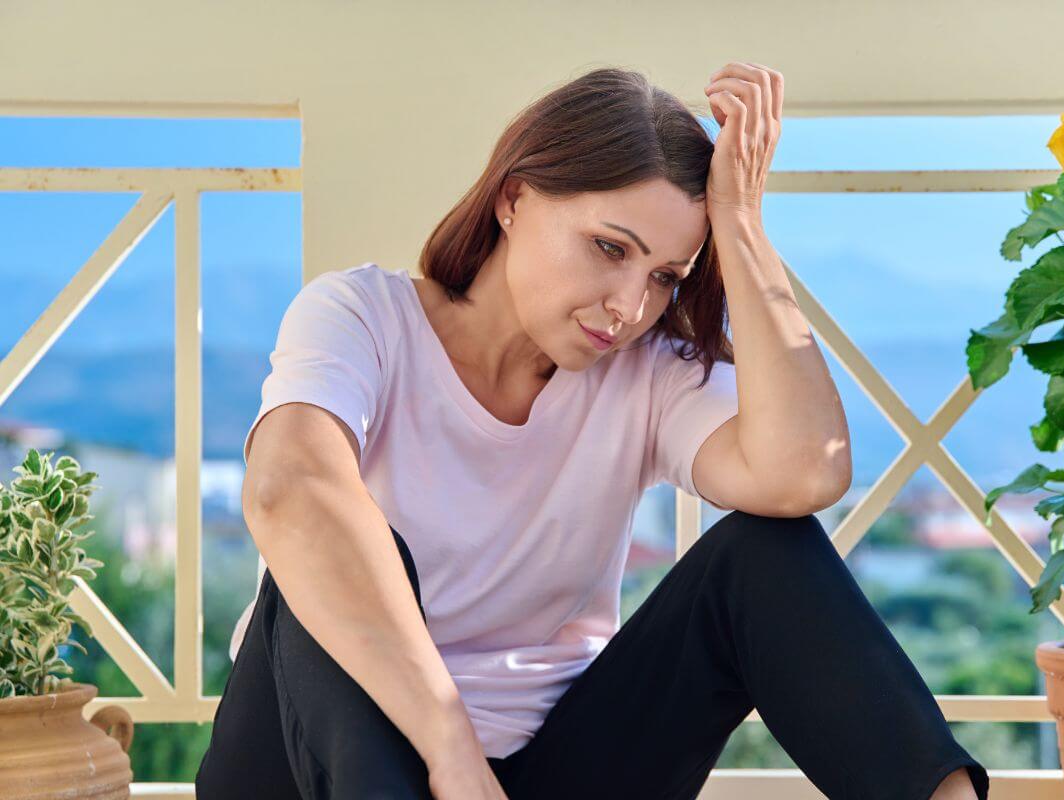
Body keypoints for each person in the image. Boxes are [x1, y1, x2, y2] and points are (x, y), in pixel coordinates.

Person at [195, 63, 989, 800]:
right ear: (514, 199)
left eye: (663, 277)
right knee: (334, 548)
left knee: (764, 552)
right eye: (609, 248)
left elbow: (802, 475)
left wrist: (740, 225)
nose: (628, 306)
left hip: (550, 770)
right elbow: (286, 489)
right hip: (325, 766)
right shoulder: (363, 317)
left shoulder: (646, 372)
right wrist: (451, 747)